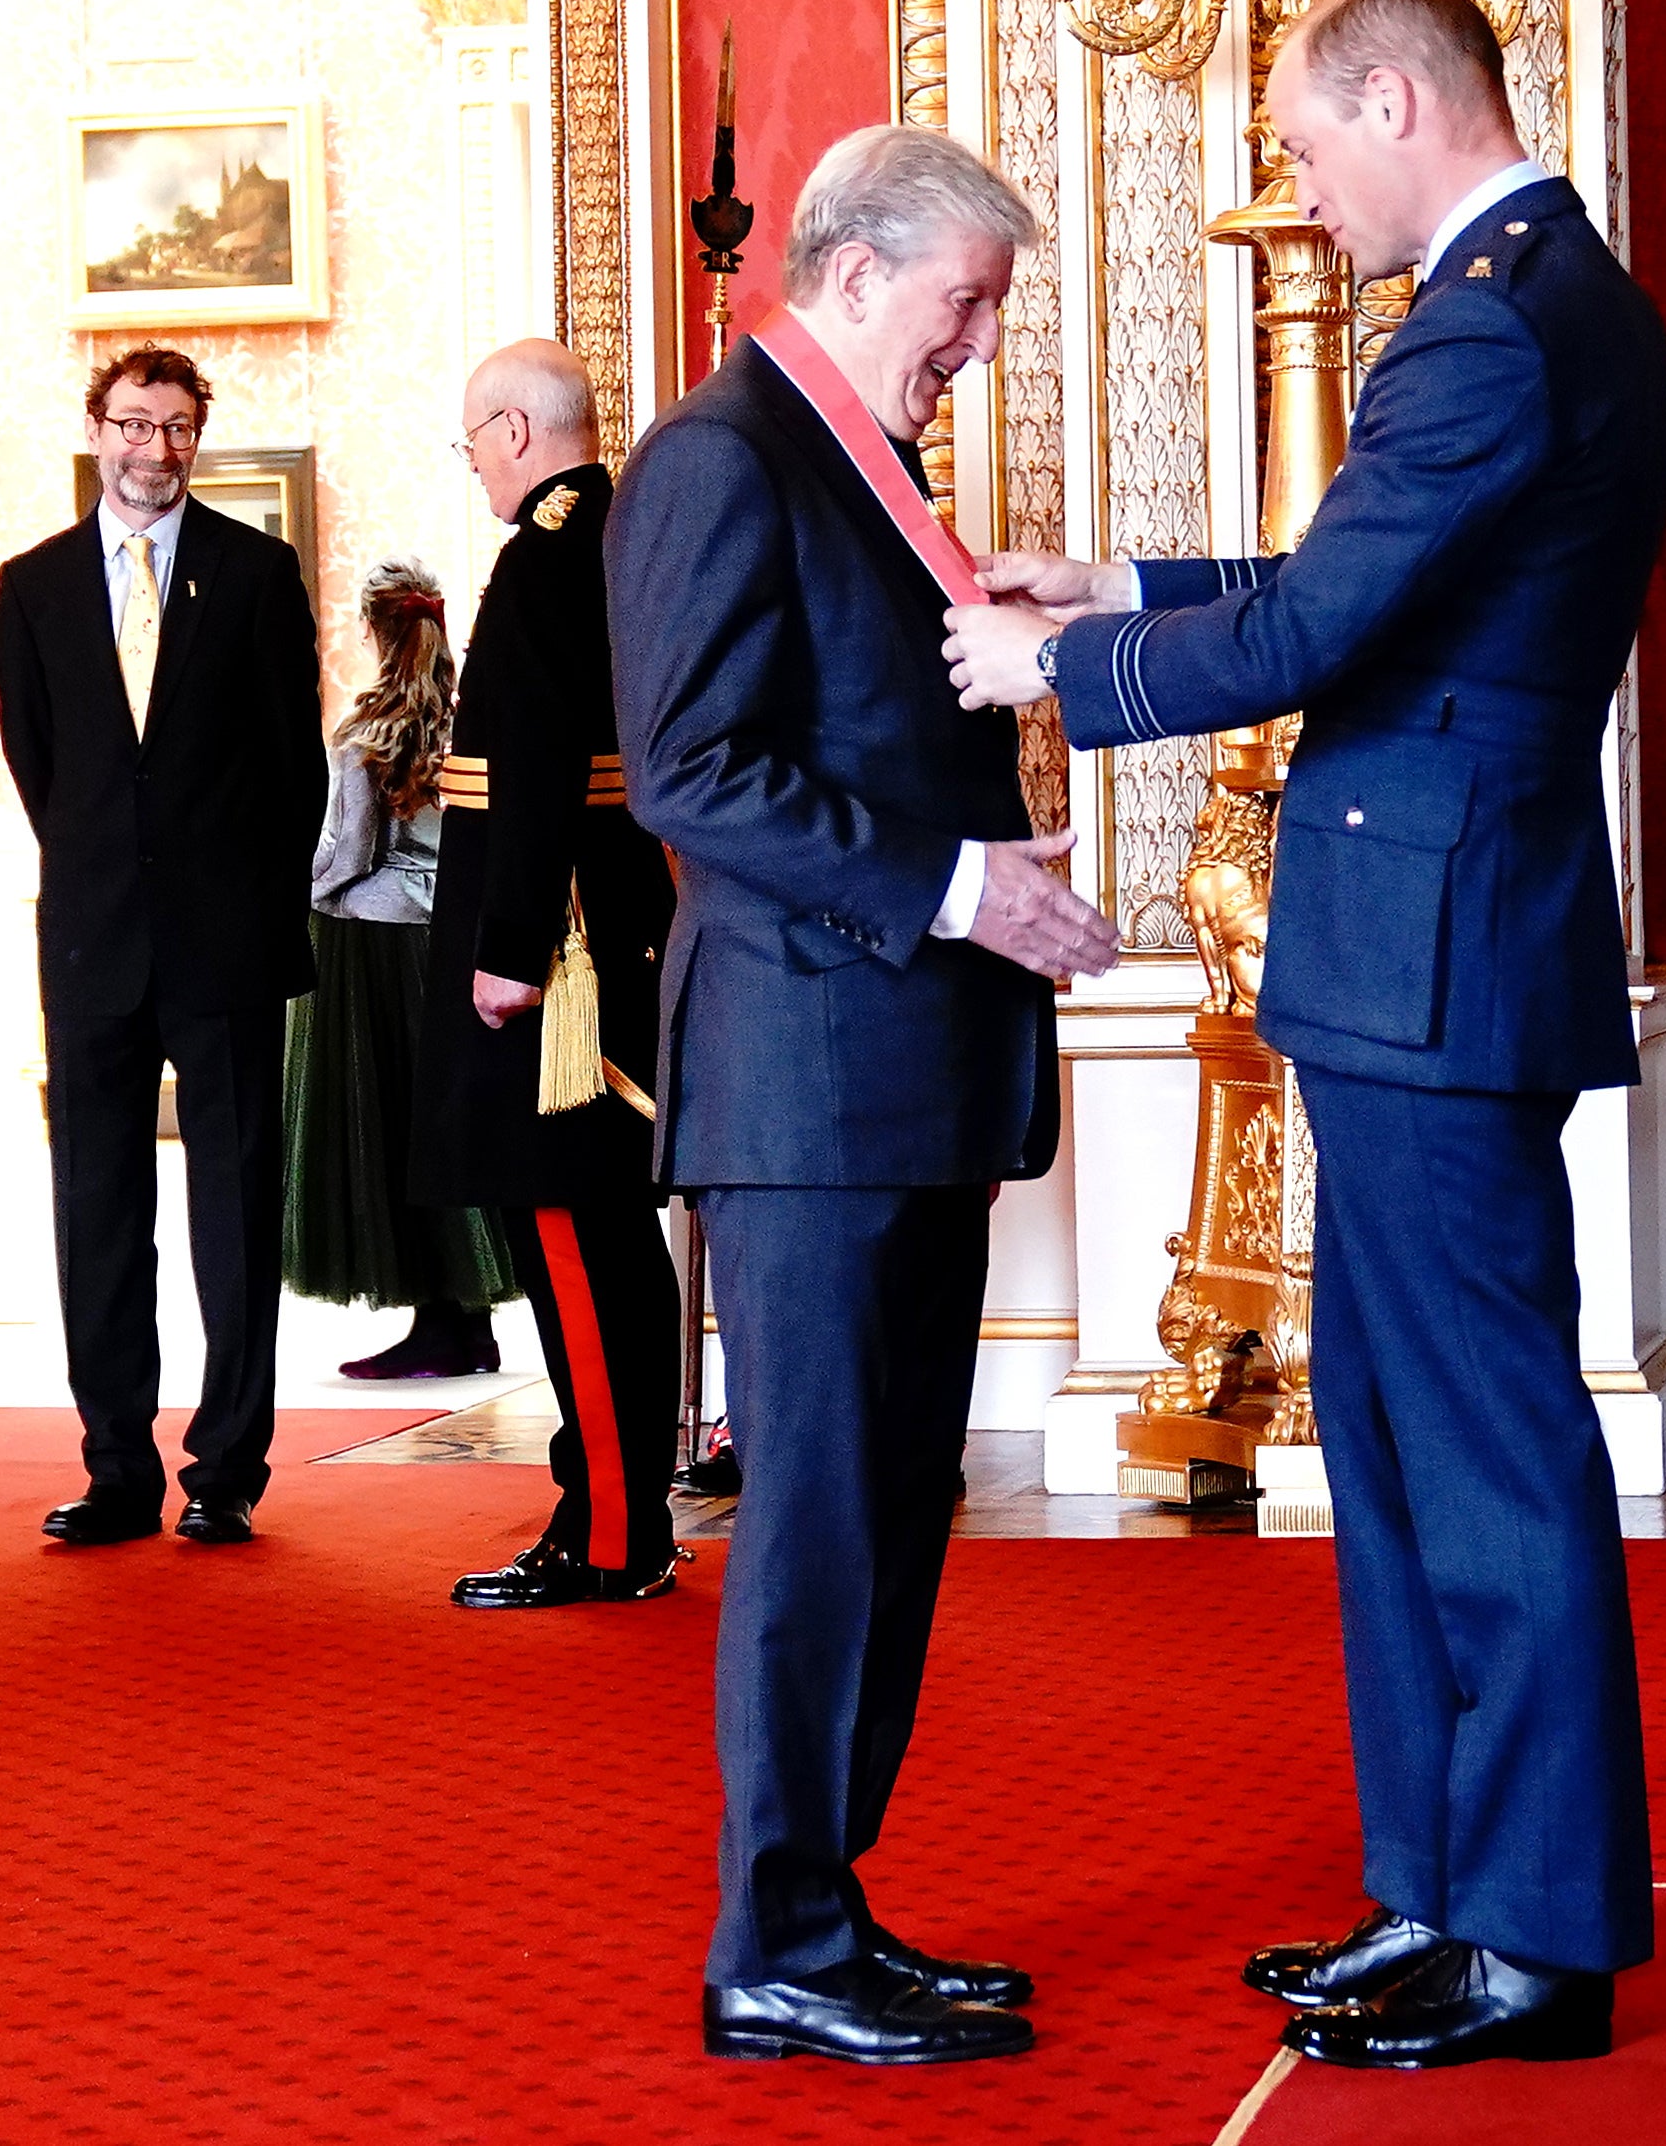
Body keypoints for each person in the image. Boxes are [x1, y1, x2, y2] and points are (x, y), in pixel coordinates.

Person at [943, 0, 1666, 2072]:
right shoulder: (1548, 300)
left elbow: (1332, 621)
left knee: (1478, 1442)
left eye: (1298, 140)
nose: (1295, 182)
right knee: (1383, 1426)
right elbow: (1362, 575)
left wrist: (1049, 677)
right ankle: (1440, 1882)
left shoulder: (1484, 317)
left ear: (1392, 97)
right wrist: (1114, 580)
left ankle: (1529, 1932)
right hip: (1427, 939)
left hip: (1431, 948)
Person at [607, 126, 1119, 2066]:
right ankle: (771, 1943)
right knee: (821, 1515)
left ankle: (824, 1907)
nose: (974, 342)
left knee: (895, 1503)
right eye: (961, 300)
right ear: (846, 268)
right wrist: (959, 882)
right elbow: (692, 775)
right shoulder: (720, 459)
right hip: (807, 1089)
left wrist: (998, 856)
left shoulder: (860, 464)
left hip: (897, 1074)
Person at [0, 346, 325, 1549]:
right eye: (136, 424)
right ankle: (117, 1467)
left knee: (234, 1211)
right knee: (97, 1207)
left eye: (179, 428)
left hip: (225, 944)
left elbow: (299, 773)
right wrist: (100, 874)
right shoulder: (30, 587)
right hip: (91, 946)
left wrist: (254, 901)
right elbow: (43, 769)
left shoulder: (255, 572)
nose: (156, 449)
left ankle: (227, 1466)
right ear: (97, 429)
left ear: (198, 436)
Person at [409, 338, 685, 1610]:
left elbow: (529, 773)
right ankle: (615, 1510)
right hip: (616, 926)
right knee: (606, 1240)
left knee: (577, 1242)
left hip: (555, 960)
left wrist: (507, 952)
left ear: (517, 431)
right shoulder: (623, 534)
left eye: (473, 439)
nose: (472, 464)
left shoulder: (542, 558)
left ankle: (615, 1533)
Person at [280, 557, 520, 1378]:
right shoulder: (470, 723)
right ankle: (470, 1317)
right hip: (452, 944)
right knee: (446, 1127)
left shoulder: (364, 735)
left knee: (382, 1134)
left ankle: (434, 1322)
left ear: (374, 631)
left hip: (374, 950)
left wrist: (287, 894)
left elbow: (345, 856)